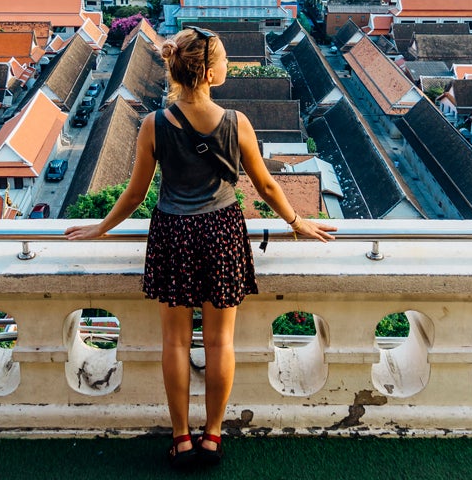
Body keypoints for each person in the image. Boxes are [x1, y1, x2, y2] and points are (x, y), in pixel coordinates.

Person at [66, 26, 335, 469]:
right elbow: (266, 184)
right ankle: (213, 435)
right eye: (225, 60)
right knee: (219, 342)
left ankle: (181, 437)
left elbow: (135, 194)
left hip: (173, 232)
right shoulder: (236, 123)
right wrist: (296, 220)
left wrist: (102, 228)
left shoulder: (154, 124)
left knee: (173, 343)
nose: (228, 65)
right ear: (209, 74)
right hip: (222, 231)